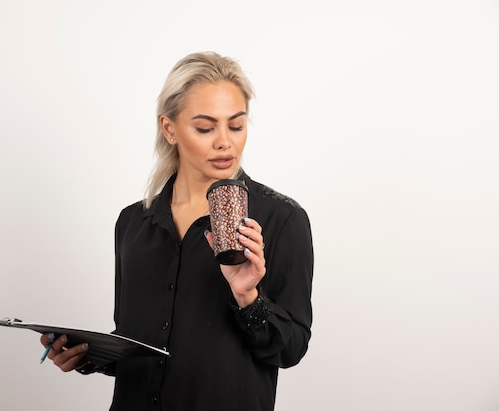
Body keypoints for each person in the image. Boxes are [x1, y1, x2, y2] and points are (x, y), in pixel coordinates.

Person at [40, 51, 314, 411]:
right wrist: (88, 355)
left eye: (236, 125)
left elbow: (291, 349)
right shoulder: (133, 223)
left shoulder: (282, 219)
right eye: (205, 127)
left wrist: (249, 298)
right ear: (169, 129)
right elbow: (137, 344)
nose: (224, 142)